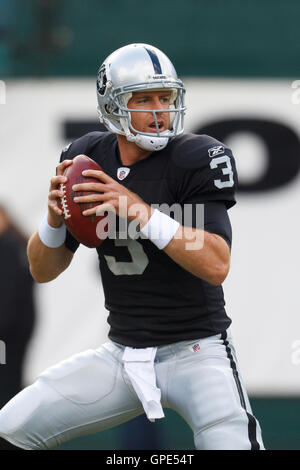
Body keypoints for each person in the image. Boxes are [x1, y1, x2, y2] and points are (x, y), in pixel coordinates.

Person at [0, 43, 264, 450]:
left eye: (166, 97)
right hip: (122, 354)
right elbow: (42, 270)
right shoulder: (87, 156)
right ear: (112, 106)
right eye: (143, 99)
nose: (159, 110)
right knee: (12, 427)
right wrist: (53, 219)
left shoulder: (195, 157)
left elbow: (216, 264)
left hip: (197, 351)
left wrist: (139, 210)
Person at [0, 205, 35, 410]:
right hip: (16, 331)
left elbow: (8, 297)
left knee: (6, 386)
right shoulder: (21, 245)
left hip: (7, 333)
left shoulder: (9, 248)